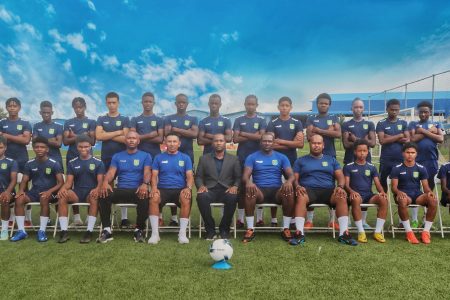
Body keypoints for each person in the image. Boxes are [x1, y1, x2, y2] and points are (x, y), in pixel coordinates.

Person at [292, 134, 357, 246]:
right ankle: (299, 233)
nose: (316, 145)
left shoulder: (331, 160)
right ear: (310, 144)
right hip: (308, 190)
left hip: (328, 190)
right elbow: (294, 179)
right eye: (313, 143)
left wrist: (340, 187)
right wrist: (297, 186)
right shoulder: (300, 161)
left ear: (323, 145)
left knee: (341, 195)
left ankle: (344, 234)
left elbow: (340, 177)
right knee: (300, 196)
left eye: (319, 143)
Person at [97, 131, 151, 243]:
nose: (131, 140)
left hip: (137, 189)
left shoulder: (145, 155)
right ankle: (107, 230)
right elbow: (111, 172)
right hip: (121, 189)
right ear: (125, 141)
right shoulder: (117, 156)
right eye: (129, 138)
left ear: (138, 141)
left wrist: (145, 184)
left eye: (134, 138)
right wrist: (105, 182)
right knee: (103, 194)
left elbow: (147, 172)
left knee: (144, 196)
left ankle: (139, 229)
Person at [241, 132, 295, 243]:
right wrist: (248, 182)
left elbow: (291, 175)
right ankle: (250, 228)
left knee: (288, 191)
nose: (267, 143)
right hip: (259, 191)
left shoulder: (281, 157)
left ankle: (286, 228)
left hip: (276, 191)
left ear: (274, 142)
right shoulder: (252, 157)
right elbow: (245, 176)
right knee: (249, 191)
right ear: (260, 142)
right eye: (264, 141)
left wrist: (289, 181)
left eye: (269, 141)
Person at [10, 137, 64, 242]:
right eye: (37, 147)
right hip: (34, 193)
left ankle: (42, 231)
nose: (39, 149)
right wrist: (21, 191)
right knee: (19, 199)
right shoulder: (29, 164)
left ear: (47, 149)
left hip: (51, 193)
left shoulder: (54, 163)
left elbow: (61, 182)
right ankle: (21, 231)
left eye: (42, 147)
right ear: (33, 149)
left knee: (44, 197)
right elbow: (24, 181)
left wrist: (50, 191)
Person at [56, 135, 105, 243]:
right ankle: (64, 231)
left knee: (94, 196)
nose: (83, 149)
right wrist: (63, 189)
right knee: (63, 196)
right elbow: (69, 183)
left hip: (90, 193)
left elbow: (100, 182)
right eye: (81, 147)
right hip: (77, 193)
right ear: (77, 147)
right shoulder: (72, 162)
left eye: (86, 146)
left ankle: (89, 231)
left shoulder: (98, 162)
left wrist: (97, 189)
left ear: (91, 146)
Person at [148, 133, 194, 244]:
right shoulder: (158, 157)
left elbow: (190, 176)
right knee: (153, 198)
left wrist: (188, 188)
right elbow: (154, 175)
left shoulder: (185, 158)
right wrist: (154, 187)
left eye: (174, 142)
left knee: (186, 197)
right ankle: (155, 234)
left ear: (179, 144)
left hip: (180, 189)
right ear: (165, 143)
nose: (172, 144)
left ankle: (182, 234)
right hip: (162, 189)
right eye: (169, 141)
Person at [305, 93, 341, 229]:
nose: (323, 105)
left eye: (326, 103)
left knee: (331, 185)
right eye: (321, 103)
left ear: (329, 105)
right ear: (317, 104)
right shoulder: (310, 118)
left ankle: (332, 220)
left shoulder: (334, 117)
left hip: (330, 155)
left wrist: (319, 130)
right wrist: (328, 131)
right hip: (313, 156)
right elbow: (309, 136)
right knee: (309, 183)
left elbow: (338, 134)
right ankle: (309, 220)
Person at [267, 96, 304, 228]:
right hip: (275, 160)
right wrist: (291, 143)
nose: (284, 107)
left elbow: (300, 144)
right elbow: (270, 145)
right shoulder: (272, 123)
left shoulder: (297, 123)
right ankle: (273, 219)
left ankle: (292, 220)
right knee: (275, 186)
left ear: (291, 107)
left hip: (292, 160)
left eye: (287, 105)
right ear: (278, 107)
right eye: (282, 105)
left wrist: (281, 141)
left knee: (292, 188)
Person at [195, 134, 241, 240]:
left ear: (225, 143)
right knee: (202, 197)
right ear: (212, 143)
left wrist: (235, 186)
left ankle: (224, 229)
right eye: (216, 141)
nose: (218, 143)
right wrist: (201, 186)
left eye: (221, 141)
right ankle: (210, 230)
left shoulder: (233, 159)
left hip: (226, 190)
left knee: (232, 197)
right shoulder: (204, 158)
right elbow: (198, 177)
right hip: (209, 190)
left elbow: (238, 177)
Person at [96, 92, 131, 228]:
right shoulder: (101, 119)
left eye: (114, 102)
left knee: (123, 185)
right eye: (109, 102)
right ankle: (107, 218)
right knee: (107, 186)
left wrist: (107, 135)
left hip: (123, 158)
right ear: (106, 103)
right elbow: (98, 136)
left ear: (118, 103)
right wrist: (117, 132)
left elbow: (126, 139)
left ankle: (124, 218)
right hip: (106, 158)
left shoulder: (124, 119)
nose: (111, 105)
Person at [390, 142, 437, 244]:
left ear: (416, 154)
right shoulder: (396, 168)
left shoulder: (421, 168)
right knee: (402, 200)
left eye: (413, 152)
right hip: (404, 195)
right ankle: (409, 232)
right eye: (408, 152)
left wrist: (429, 192)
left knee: (433, 200)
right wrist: (398, 192)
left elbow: (426, 187)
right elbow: (393, 187)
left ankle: (426, 232)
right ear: (403, 153)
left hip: (417, 195)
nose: (410, 155)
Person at [232, 95, 267, 228]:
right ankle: (240, 219)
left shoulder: (262, 120)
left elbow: (262, 138)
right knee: (241, 188)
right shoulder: (238, 120)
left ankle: (259, 219)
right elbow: (235, 139)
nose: (250, 106)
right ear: (244, 104)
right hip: (241, 158)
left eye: (253, 104)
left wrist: (244, 134)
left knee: (258, 186)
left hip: (259, 159)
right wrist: (254, 135)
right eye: (248, 104)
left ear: (257, 105)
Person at [343, 139, 388, 243]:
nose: (362, 153)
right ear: (355, 152)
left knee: (383, 199)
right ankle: (361, 231)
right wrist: (352, 192)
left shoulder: (372, 167)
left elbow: (377, 183)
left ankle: (377, 232)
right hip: (353, 196)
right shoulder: (348, 167)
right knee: (356, 198)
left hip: (368, 196)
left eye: (365, 151)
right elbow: (346, 184)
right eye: (360, 151)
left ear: (368, 152)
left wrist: (382, 192)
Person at [341, 98, 376, 229]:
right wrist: (364, 140)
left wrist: (355, 139)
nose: (358, 109)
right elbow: (346, 144)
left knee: (365, 189)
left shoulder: (370, 124)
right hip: (350, 160)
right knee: (348, 189)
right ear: (352, 108)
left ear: (364, 109)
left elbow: (372, 143)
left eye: (361, 107)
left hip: (366, 161)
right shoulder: (346, 124)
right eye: (356, 107)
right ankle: (349, 218)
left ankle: (363, 221)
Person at [164, 94, 198, 225]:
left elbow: (194, 134)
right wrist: (185, 131)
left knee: (186, 183)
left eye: (184, 102)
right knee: (171, 183)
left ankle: (185, 217)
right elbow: (167, 133)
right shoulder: (169, 118)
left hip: (187, 155)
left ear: (187, 104)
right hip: (170, 155)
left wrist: (176, 129)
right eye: (179, 102)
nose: (181, 104)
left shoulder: (193, 118)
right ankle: (173, 218)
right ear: (175, 103)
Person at [408, 101, 444, 227]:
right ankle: (414, 219)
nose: (423, 114)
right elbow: (412, 139)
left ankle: (425, 219)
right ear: (418, 112)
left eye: (426, 112)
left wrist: (423, 131)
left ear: (430, 112)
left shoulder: (436, 123)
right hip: (416, 161)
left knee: (429, 190)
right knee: (414, 189)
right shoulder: (413, 124)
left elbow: (440, 139)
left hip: (431, 162)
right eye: (421, 112)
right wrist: (430, 131)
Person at [63, 97, 97, 226]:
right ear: (73, 108)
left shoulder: (91, 122)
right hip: (72, 156)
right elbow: (65, 142)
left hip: (88, 157)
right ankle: (76, 217)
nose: (78, 109)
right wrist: (84, 135)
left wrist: (74, 136)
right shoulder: (68, 122)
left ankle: (90, 216)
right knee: (71, 185)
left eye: (80, 107)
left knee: (91, 183)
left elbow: (92, 141)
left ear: (85, 107)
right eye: (76, 107)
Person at [0, 98, 32, 225]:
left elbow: (25, 140)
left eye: (15, 106)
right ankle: (11, 218)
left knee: (24, 188)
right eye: (10, 106)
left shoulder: (25, 122)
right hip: (6, 160)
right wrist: (18, 137)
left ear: (19, 107)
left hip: (22, 159)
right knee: (9, 186)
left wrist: (7, 136)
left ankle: (27, 218)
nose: (12, 108)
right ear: (7, 108)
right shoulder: (2, 122)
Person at [376, 98, 409, 192]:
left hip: (400, 159)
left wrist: (389, 137)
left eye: (396, 110)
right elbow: (382, 141)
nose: (394, 112)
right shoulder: (381, 123)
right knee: (383, 185)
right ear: (387, 109)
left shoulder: (403, 123)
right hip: (386, 159)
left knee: (400, 186)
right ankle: (383, 204)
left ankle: (400, 204)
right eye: (392, 109)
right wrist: (399, 135)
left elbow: (407, 140)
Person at [129, 92, 164, 160]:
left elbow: (160, 139)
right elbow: (133, 138)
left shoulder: (159, 120)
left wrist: (140, 138)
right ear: (142, 103)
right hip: (139, 155)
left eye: (150, 102)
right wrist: (150, 135)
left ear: (154, 103)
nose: (148, 103)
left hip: (155, 155)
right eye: (146, 101)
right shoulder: (135, 119)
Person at [32, 101, 64, 169]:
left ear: (52, 113)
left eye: (48, 113)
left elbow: (58, 144)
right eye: (44, 113)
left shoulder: (58, 126)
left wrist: (41, 139)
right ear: (40, 113)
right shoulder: (36, 126)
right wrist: (51, 139)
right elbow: (34, 141)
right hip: (41, 159)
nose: (46, 115)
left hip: (56, 158)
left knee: (59, 179)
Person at [0, 136, 18, 240]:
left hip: (8, 192)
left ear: (5, 147)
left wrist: (7, 192)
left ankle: (4, 230)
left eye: (0, 147)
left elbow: (14, 180)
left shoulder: (11, 162)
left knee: (4, 198)